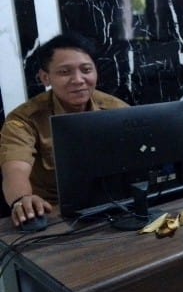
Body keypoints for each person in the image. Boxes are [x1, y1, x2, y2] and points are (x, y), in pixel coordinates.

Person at [0, 32, 128, 227]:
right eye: (65, 72)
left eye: (86, 70)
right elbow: (15, 169)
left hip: (110, 205)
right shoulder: (24, 119)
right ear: (45, 78)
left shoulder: (116, 109)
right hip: (52, 212)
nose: (78, 79)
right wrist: (21, 199)